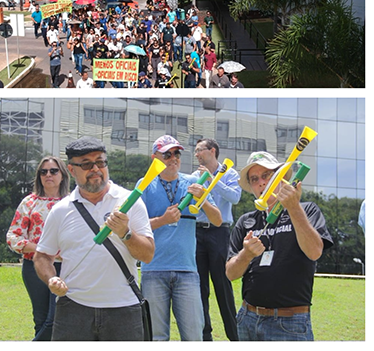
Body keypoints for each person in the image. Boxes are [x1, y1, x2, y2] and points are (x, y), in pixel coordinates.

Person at [34, 137, 155, 341]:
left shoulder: (130, 201)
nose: (96, 169)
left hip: (124, 308)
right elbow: (42, 256)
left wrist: (126, 233)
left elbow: (148, 254)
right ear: (72, 170)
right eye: (87, 164)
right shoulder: (61, 210)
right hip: (73, 308)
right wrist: (51, 279)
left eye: (100, 162)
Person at [227, 152, 333, 341]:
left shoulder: (306, 210)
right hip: (247, 318)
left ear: (281, 177)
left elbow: (315, 251)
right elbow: (230, 274)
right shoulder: (246, 221)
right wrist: (247, 254)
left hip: (289, 323)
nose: (261, 182)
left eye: (267, 175)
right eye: (254, 179)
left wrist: (293, 207)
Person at [141, 135, 222, 341]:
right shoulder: (144, 184)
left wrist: (202, 199)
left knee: (194, 336)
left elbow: (218, 220)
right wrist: (162, 220)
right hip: (153, 269)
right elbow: (135, 227)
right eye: (167, 154)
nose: (173, 158)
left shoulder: (194, 182)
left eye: (176, 153)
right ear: (154, 158)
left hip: (187, 271)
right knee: (156, 337)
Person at [6, 156, 70, 341]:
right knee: (41, 319)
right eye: (43, 171)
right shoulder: (29, 202)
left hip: (64, 266)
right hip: (34, 266)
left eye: (53, 171)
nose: (48, 175)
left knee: (55, 318)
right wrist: (42, 249)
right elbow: (13, 236)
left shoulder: (74, 202)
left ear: (63, 174)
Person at [191, 139, 241, 341]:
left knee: (223, 284)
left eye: (199, 150)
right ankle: (205, 338)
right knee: (199, 287)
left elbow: (235, 197)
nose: (196, 154)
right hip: (197, 233)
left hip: (220, 232)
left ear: (212, 151)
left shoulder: (230, 173)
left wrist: (213, 179)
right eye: (195, 151)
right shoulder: (194, 176)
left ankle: (235, 337)